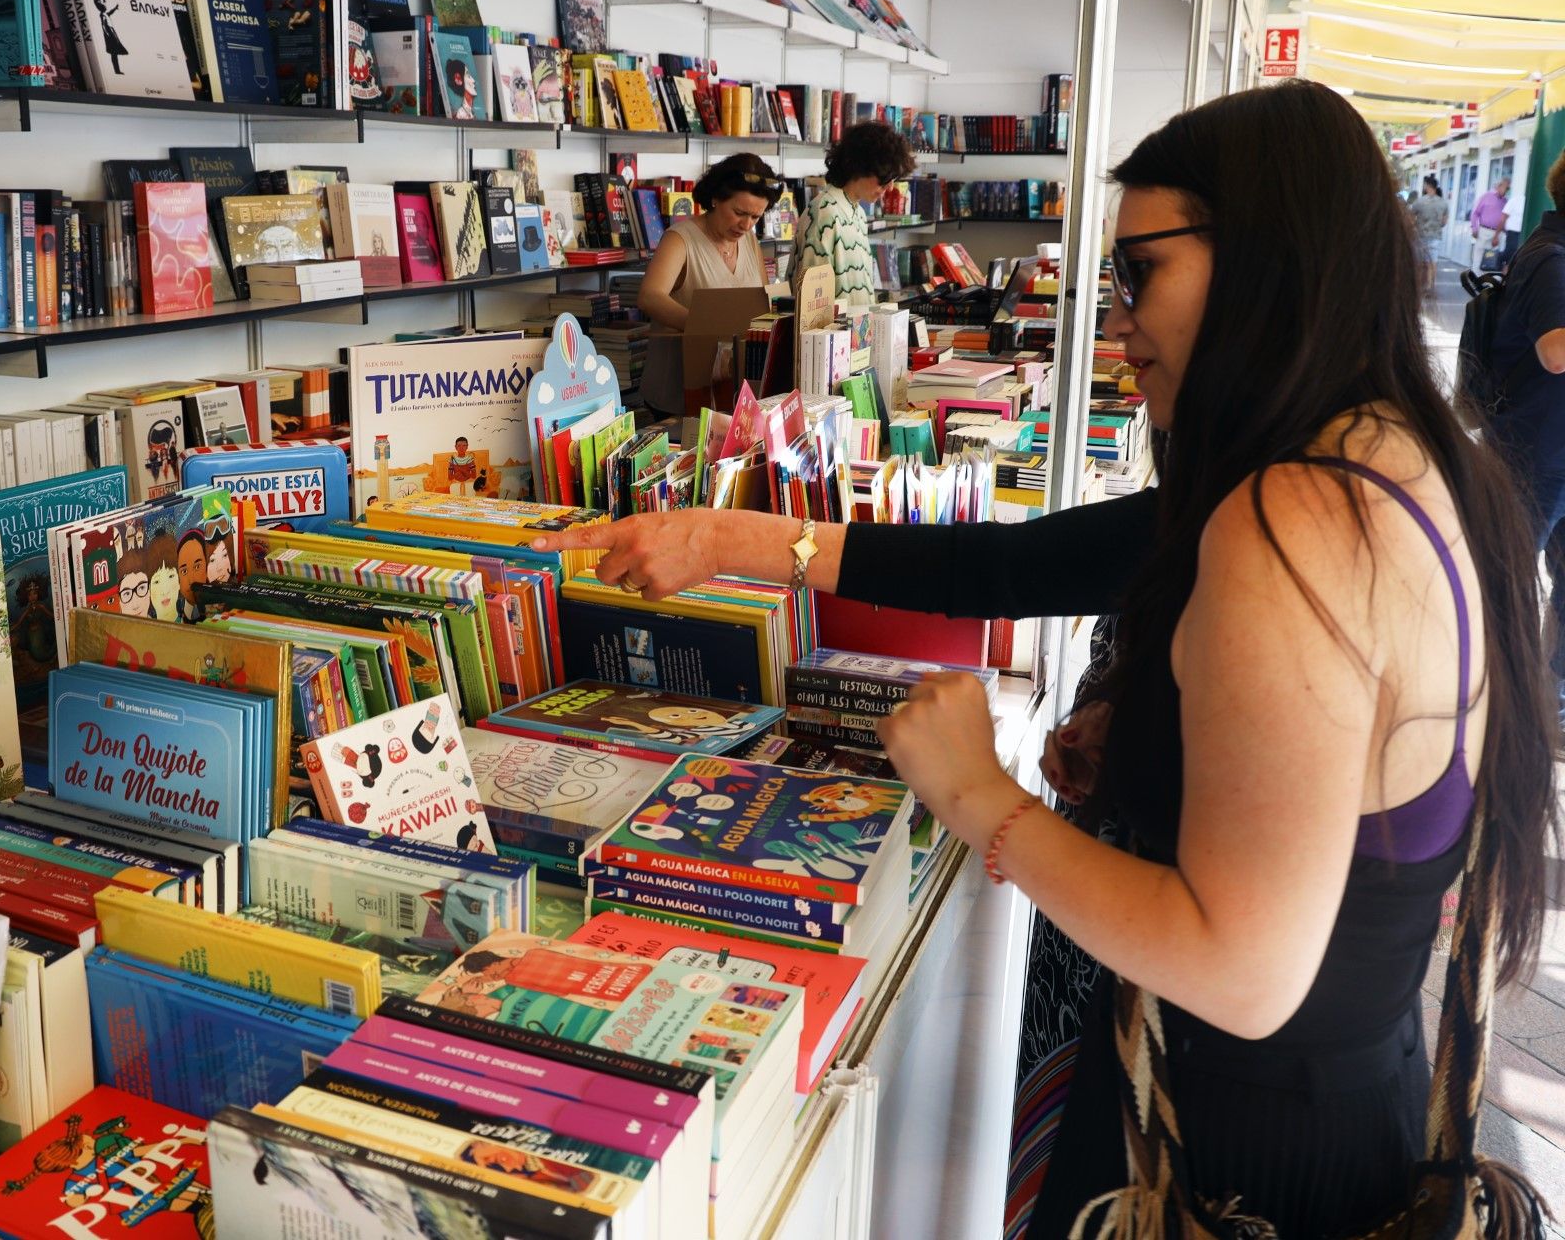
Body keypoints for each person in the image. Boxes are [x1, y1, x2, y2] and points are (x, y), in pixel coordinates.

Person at [533, 80, 1557, 1236]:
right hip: (1337, 1110)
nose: (1115, 323)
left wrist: (980, 795)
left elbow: (1240, 966)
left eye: (1138, 275)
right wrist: (1166, 728)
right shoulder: (1387, 456)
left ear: (1268, 258)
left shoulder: (1295, 521)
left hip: (1222, 1155)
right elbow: (1023, 569)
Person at [1481, 149, 1565, 699]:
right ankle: (1489, 699)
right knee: (1504, 580)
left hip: (1548, 450)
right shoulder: (1553, 259)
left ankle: (1548, 699)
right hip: (1537, 455)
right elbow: (1557, 352)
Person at [637, 153, 782, 414]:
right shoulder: (680, 239)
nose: (746, 225)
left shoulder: (749, 242)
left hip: (730, 391)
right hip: (678, 393)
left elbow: (761, 303)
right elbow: (650, 296)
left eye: (755, 217)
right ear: (715, 198)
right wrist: (704, 328)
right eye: (739, 213)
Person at [792, 121, 915, 309]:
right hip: (830, 335)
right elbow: (811, 300)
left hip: (854, 333)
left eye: (893, 179)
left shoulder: (857, 212)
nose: (890, 187)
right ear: (860, 167)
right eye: (884, 178)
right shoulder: (825, 212)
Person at [1406, 174, 1448, 290]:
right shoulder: (1443, 203)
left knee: (1421, 262)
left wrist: (1414, 225)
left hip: (1421, 235)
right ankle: (1430, 285)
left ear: (1427, 186)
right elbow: (1444, 222)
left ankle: (1419, 285)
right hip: (1435, 236)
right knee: (1432, 262)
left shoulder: (1419, 202)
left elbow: (1410, 217)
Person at [1471, 174, 1512, 269]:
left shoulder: (1506, 201)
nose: (1507, 191)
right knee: (1478, 258)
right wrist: (1474, 228)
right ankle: (1475, 279)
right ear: (1499, 186)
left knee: (1492, 261)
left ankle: (1488, 282)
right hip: (1484, 231)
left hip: (1498, 234)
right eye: (1506, 188)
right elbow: (1475, 213)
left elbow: (1505, 219)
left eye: (1508, 189)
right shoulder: (1486, 196)